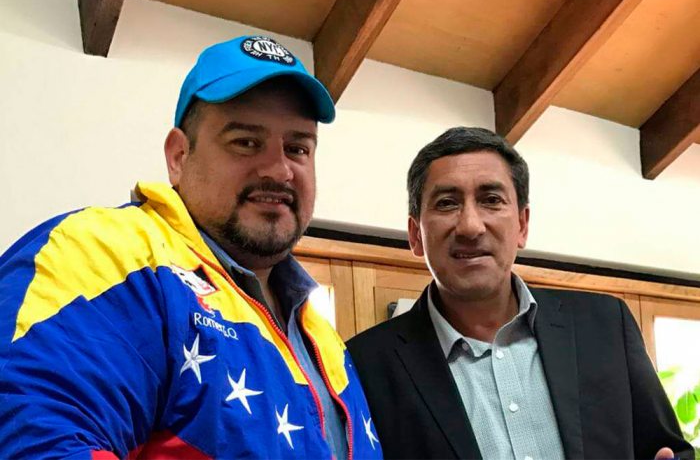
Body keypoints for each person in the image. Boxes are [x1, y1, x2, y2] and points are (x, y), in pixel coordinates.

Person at [0, 35, 382, 459]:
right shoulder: (102, 253)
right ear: (179, 156)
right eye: (246, 142)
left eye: (297, 148)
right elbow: (33, 439)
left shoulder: (322, 336)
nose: (279, 170)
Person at [347, 127, 692, 460]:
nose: (470, 226)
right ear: (415, 235)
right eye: (447, 203)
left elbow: (668, 450)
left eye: (491, 200)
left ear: (522, 225)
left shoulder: (605, 326)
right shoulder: (366, 364)